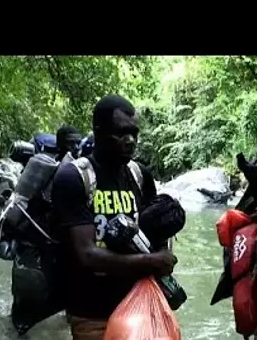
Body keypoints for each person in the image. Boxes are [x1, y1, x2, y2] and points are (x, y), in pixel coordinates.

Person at [50, 94, 176, 340]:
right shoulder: (74, 178)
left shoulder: (141, 176)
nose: (130, 141)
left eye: (134, 133)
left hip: (138, 306)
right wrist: (153, 262)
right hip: (92, 313)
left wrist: (164, 271)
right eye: (121, 133)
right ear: (98, 132)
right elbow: (87, 254)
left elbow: (155, 233)